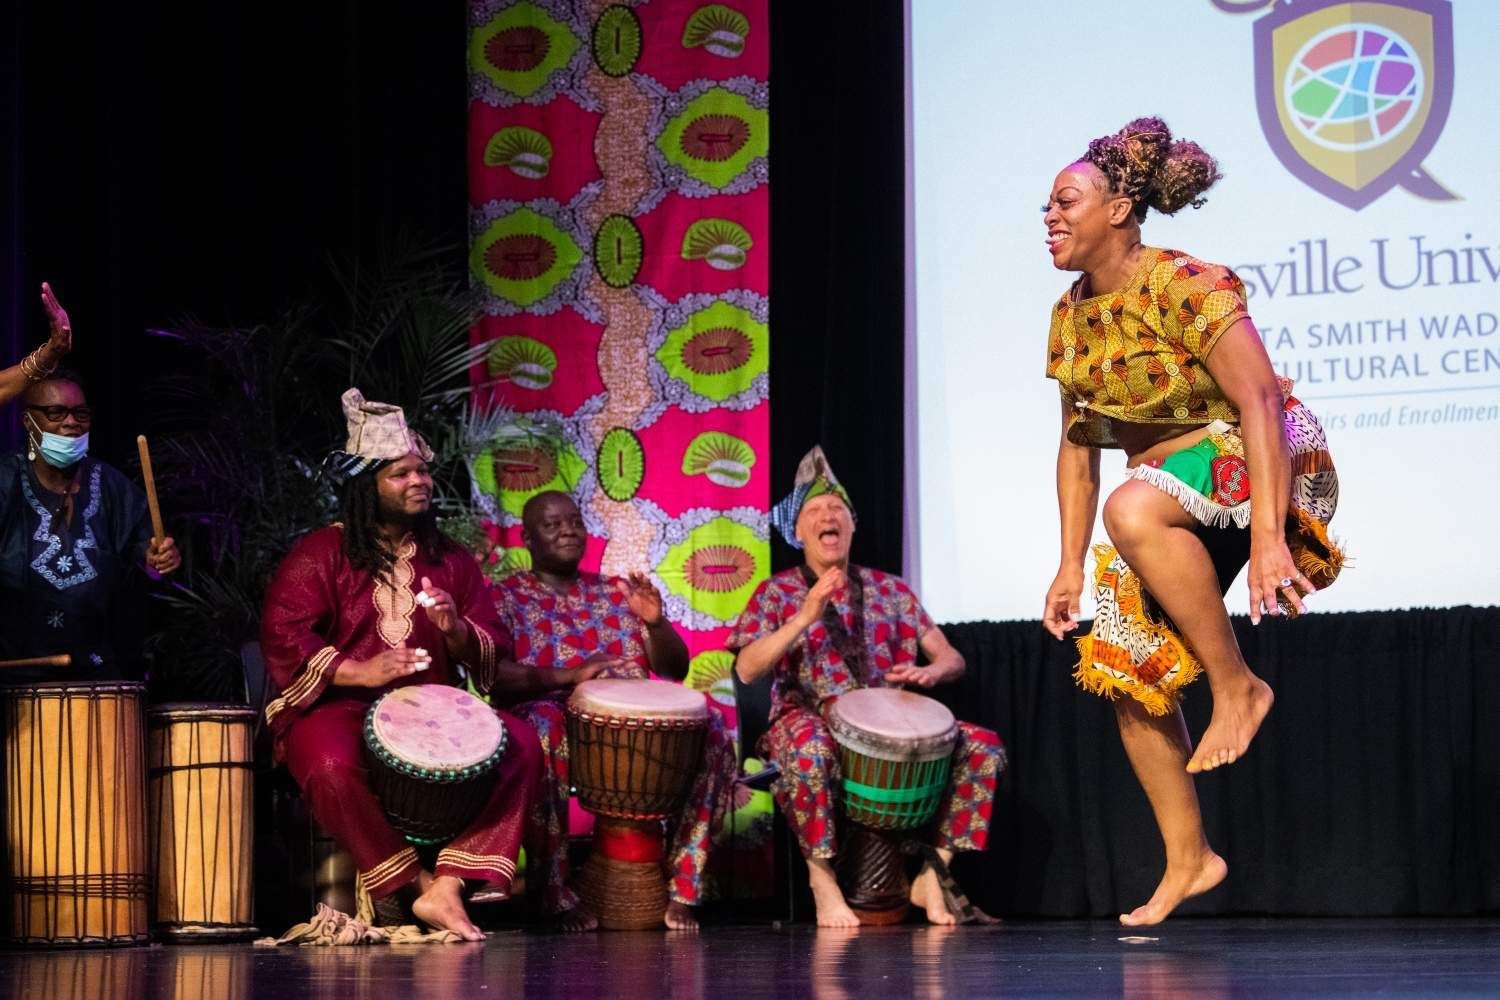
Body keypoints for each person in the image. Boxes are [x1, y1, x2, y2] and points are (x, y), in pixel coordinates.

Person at [1039, 117, 1344, 926]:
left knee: (1133, 506)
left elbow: (1261, 400)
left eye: (1066, 200)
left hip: (1272, 455)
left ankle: (1238, 685)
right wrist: (1069, 565)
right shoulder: (1069, 319)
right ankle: (1189, 857)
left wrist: (1272, 537)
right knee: (1124, 662)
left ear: (1120, 209)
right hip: (1171, 492)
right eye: (1046, 207)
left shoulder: (1185, 281)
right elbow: (1078, 449)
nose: (1050, 216)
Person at [261, 388, 543, 941]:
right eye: (400, 474)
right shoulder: (321, 553)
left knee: (523, 745)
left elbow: (491, 643)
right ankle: (418, 887)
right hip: (338, 707)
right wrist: (358, 671)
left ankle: (454, 883)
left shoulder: (451, 559)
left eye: (423, 471)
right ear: (368, 486)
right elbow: (283, 631)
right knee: (329, 768)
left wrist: (456, 630)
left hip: (433, 712)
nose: (420, 481)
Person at [728, 447, 1006, 928]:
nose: (827, 515)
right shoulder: (776, 593)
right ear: (798, 533)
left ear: (852, 526)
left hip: (887, 729)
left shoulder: (892, 590)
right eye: (814, 510)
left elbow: (950, 657)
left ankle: (932, 875)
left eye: (837, 509)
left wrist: (932, 672)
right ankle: (823, 882)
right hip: (805, 720)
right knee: (811, 748)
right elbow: (748, 668)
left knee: (982, 746)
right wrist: (805, 616)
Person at [487, 490, 736, 932]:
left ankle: (685, 888)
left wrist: (656, 623)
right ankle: (552, 892)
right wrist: (573, 676)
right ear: (526, 537)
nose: (567, 529)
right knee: (542, 727)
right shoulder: (506, 596)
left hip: (633, 732)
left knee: (712, 724)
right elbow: (496, 677)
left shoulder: (616, 591)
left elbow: (675, 670)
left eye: (574, 520)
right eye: (552, 523)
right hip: (556, 722)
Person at [0, 282, 181, 682]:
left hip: (99, 674)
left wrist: (158, 561)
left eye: (80, 414)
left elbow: (149, 557)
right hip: (14, 674)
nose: (70, 422)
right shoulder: (6, 480)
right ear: (27, 421)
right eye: (55, 413)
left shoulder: (111, 486)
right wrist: (49, 353)